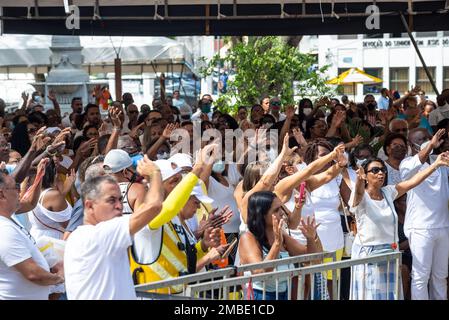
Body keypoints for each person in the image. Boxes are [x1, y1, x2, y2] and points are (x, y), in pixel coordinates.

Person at [349, 152, 449, 300]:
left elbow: (414, 181)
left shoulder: (388, 192)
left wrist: (435, 165)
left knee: (391, 295)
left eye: (383, 170)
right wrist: (358, 180)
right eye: (375, 170)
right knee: (371, 296)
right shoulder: (361, 196)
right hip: (368, 255)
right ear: (365, 175)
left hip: (390, 253)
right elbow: (357, 193)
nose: (380, 173)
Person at [64, 156, 163, 300]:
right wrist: (155, 174)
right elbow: (153, 206)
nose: (119, 206)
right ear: (89, 206)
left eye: (119, 199)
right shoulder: (99, 234)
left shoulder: (81, 236)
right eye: (111, 200)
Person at [238, 191, 322, 300]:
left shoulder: (281, 234)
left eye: (281, 208)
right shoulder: (248, 238)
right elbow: (259, 272)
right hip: (261, 296)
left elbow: (310, 259)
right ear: (262, 214)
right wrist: (277, 244)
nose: (282, 213)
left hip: (285, 294)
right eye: (276, 210)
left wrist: (311, 238)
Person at [400, 128, 449, 300]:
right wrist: (429, 147)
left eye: (428, 137)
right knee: (420, 277)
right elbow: (409, 172)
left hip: (443, 226)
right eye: (422, 139)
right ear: (411, 145)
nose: (429, 140)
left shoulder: (440, 159)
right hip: (420, 228)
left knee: (440, 276)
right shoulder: (407, 163)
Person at [0, 171, 64, 299]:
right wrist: (60, 277)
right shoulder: (4, 229)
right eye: (16, 187)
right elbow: (33, 274)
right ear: (2, 194)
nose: (20, 192)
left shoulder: (7, 222)